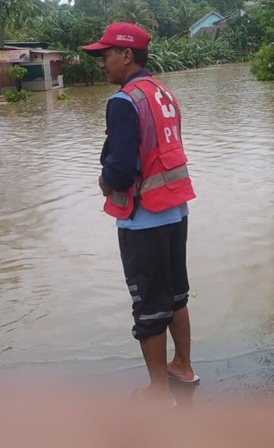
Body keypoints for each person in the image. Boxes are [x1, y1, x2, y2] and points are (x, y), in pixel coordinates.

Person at [84, 23, 198, 405]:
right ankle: (182, 366)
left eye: (106, 55)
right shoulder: (163, 92)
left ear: (126, 55)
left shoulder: (124, 100)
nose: (103, 64)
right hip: (175, 213)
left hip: (143, 218)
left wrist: (103, 182)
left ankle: (158, 393)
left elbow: (119, 169)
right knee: (177, 296)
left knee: (149, 306)